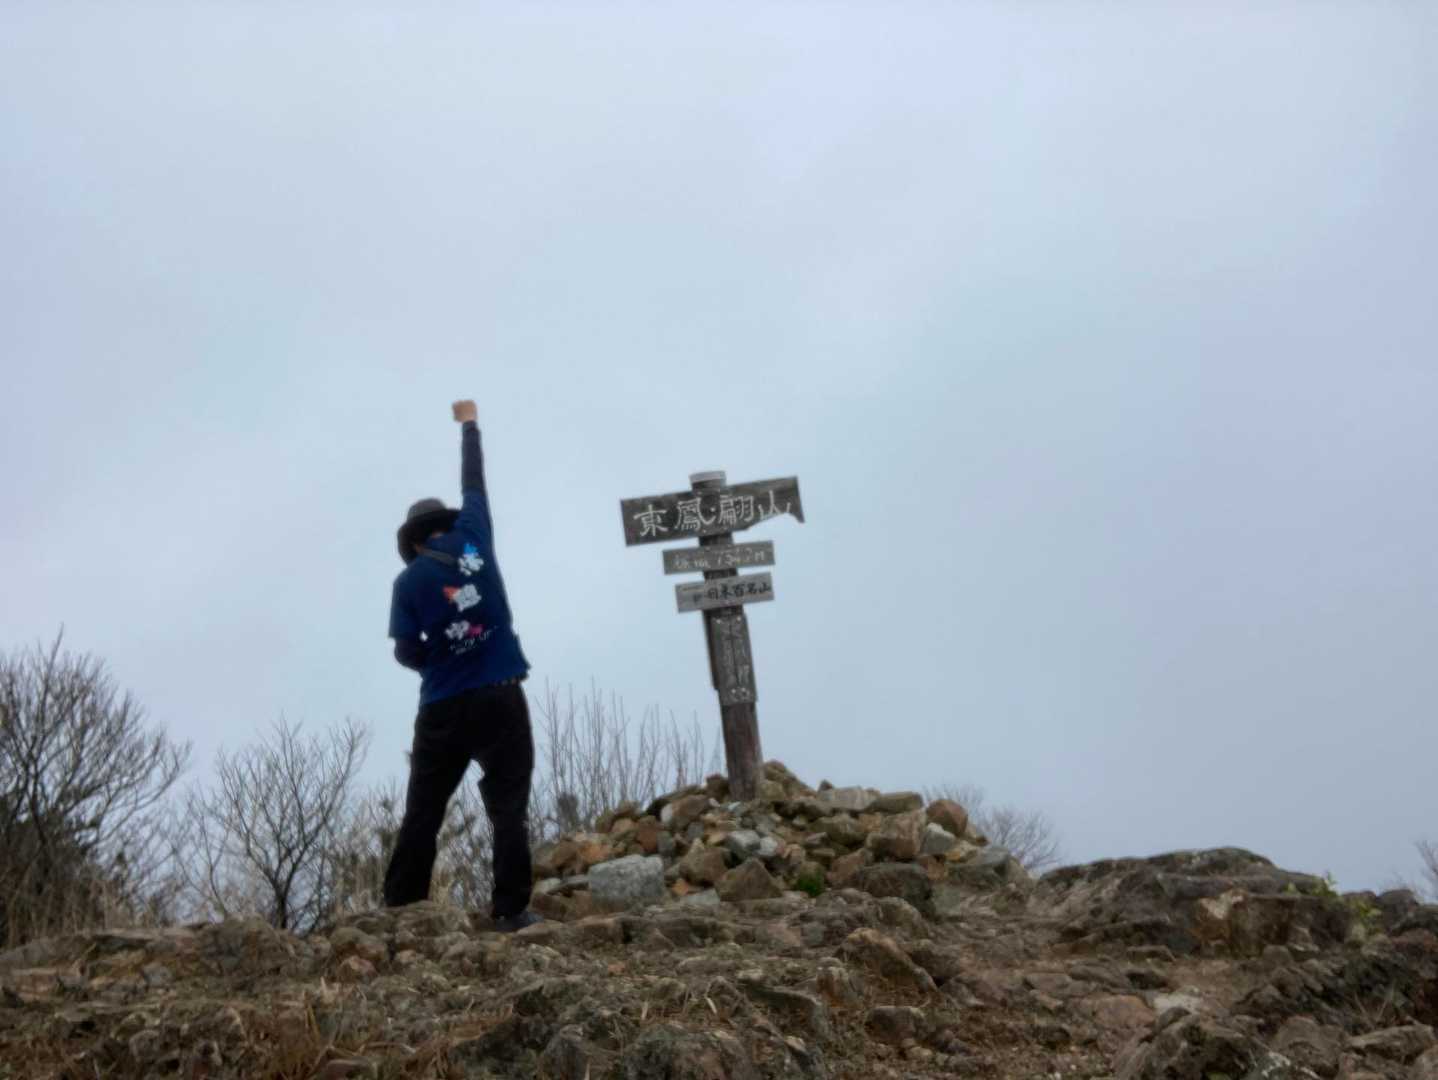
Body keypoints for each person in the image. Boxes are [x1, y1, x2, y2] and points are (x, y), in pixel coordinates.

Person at [383, 399, 540, 932]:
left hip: (442, 705)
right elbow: (474, 480)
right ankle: (511, 911)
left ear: (414, 540)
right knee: (509, 804)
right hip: (500, 692)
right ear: (445, 524)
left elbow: (405, 649)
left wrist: (438, 662)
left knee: (424, 810)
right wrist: (470, 425)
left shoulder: (407, 583)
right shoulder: (474, 533)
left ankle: (402, 914)